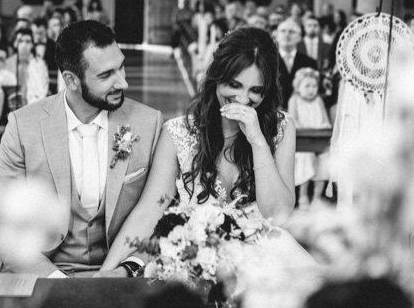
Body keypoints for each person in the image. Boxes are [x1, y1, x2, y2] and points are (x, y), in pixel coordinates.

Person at [0, 20, 164, 308]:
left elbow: (163, 218)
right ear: (71, 80)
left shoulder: (148, 123)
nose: (123, 82)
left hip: (118, 273)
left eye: (120, 67)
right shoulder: (23, 125)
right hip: (41, 272)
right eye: (106, 75)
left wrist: (125, 271)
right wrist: (62, 286)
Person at [96, 28, 315, 283]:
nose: (243, 99)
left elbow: (277, 214)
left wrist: (257, 141)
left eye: (255, 90)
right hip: (198, 258)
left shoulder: (281, 128)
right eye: (234, 85)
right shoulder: (179, 132)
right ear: (216, 77)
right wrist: (106, 272)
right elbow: (149, 211)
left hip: (266, 262)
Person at [288, 68, 331, 207]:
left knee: (324, 159)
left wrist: (323, 128)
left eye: (314, 86)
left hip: (318, 139)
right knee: (306, 158)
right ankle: (303, 195)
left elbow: (325, 120)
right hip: (302, 142)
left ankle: (317, 197)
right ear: (298, 86)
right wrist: (304, 131)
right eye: (307, 86)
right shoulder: (294, 100)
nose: (311, 89)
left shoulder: (318, 100)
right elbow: (293, 120)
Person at [1, 28, 49, 110]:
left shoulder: (39, 65)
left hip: (32, 108)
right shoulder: (6, 64)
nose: (24, 45)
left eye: (27, 41)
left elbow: (42, 91)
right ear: (15, 43)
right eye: (20, 41)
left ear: (32, 44)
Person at [276, 18, 317, 108]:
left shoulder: (310, 63)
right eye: (283, 31)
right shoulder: (267, 61)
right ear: (277, 36)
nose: (287, 34)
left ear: (299, 38)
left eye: (291, 32)